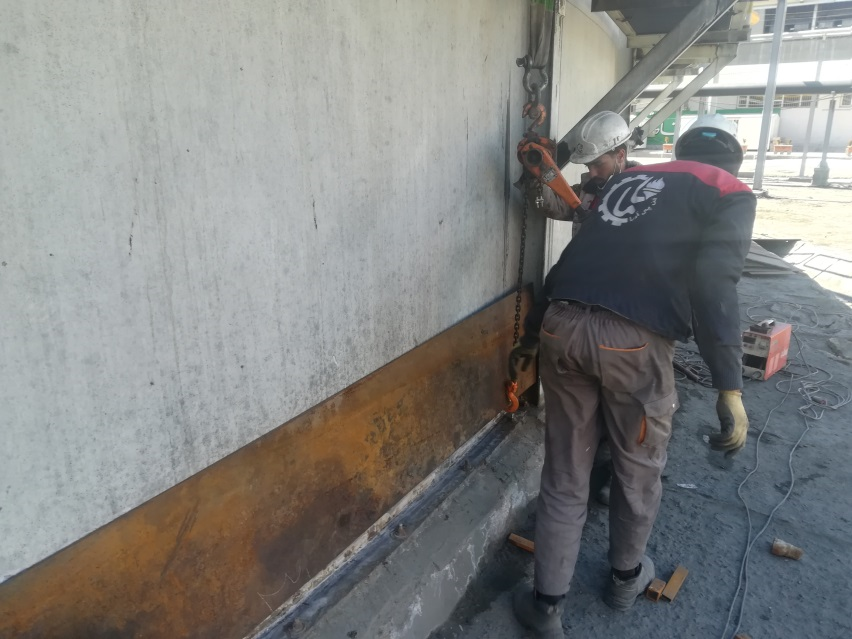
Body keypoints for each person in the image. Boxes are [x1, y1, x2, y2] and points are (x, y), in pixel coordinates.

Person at [509, 113, 755, 638]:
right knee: (637, 467)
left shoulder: (627, 181)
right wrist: (729, 385)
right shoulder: (729, 191)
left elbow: (573, 259)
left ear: (679, 153)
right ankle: (624, 579)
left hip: (561, 325)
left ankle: (546, 606)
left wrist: (531, 334)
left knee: (565, 472)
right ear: (731, 164)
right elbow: (716, 283)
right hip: (633, 343)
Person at [520, 111, 642, 507]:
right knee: (586, 403)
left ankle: (616, 476)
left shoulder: (648, 193)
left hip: (625, 311)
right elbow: (552, 205)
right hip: (581, 308)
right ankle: (586, 476)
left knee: (624, 406)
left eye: (598, 163)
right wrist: (536, 178)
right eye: (587, 165)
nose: (591, 171)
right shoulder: (589, 190)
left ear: (621, 154)